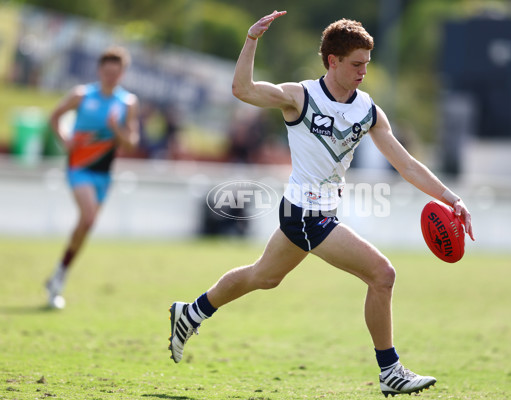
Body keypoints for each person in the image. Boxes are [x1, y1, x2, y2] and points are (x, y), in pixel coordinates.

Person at [169, 11, 475, 397]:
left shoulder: (368, 111)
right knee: (382, 275)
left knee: (263, 277)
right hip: (304, 213)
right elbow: (242, 90)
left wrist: (452, 198)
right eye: (356, 64)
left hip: (322, 212)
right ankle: (390, 371)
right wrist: (251, 40)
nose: (363, 71)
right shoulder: (300, 96)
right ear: (333, 61)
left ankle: (191, 312)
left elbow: (407, 165)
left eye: (367, 63)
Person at [45, 46, 139, 309]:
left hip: (103, 173)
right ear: (100, 70)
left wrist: (116, 130)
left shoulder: (128, 103)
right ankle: (59, 278)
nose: (111, 76)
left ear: (122, 73)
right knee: (87, 217)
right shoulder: (82, 95)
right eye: (107, 71)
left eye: (116, 72)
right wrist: (64, 139)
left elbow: (131, 143)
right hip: (79, 168)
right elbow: (55, 116)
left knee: (86, 227)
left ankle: (58, 275)